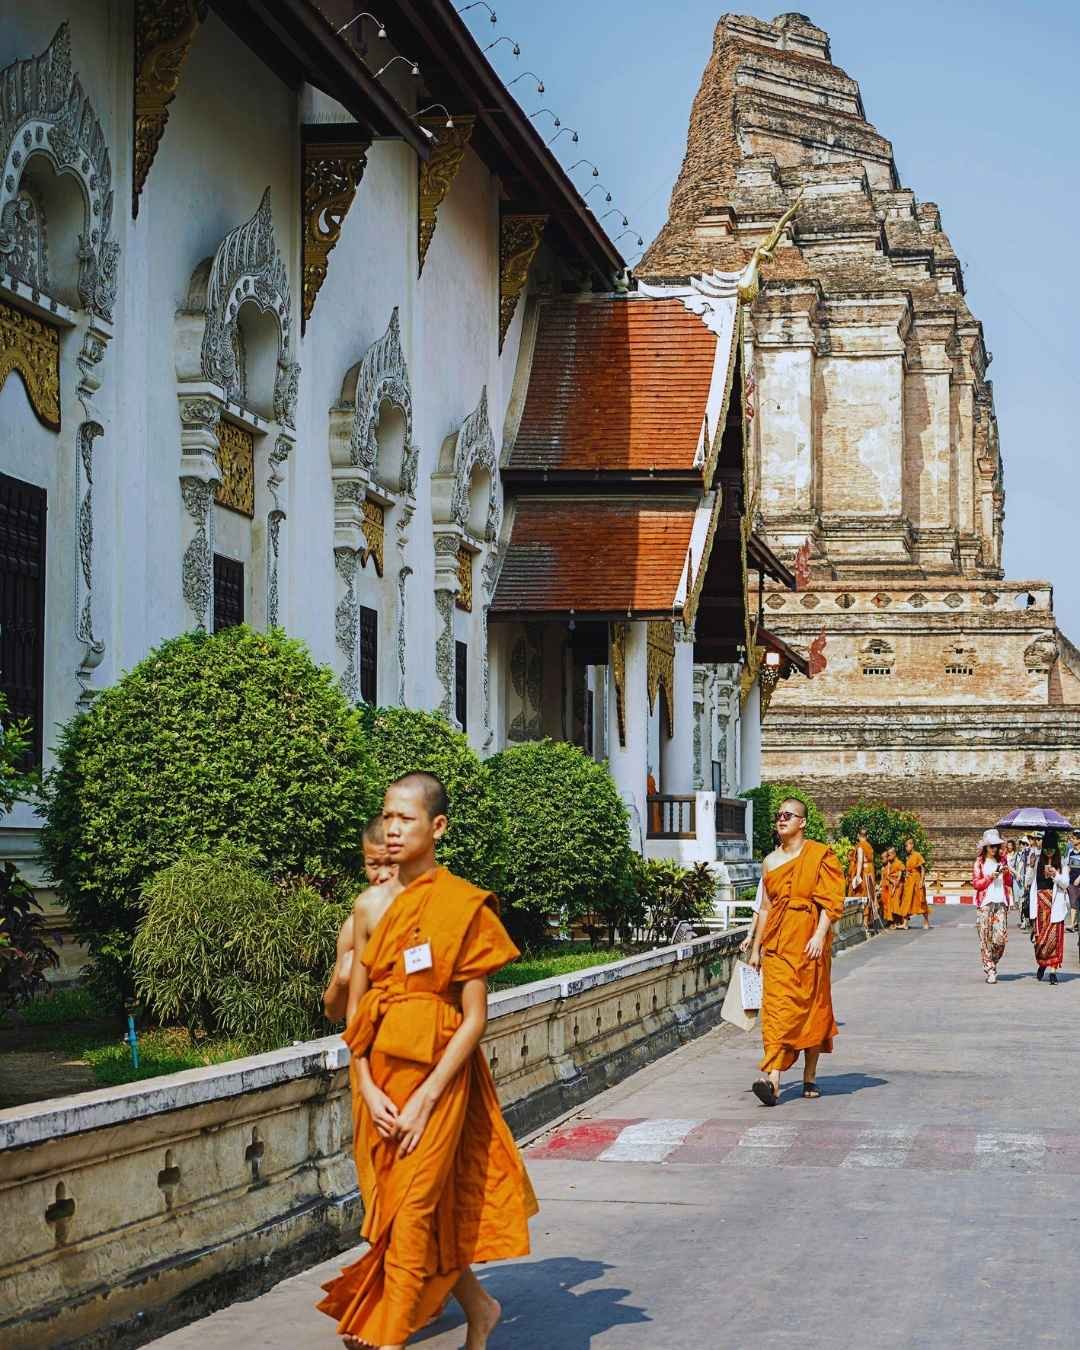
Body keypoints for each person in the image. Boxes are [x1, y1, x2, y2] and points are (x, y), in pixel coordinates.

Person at [317, 772, 537, 1349]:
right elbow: (356, 1014)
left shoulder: (462, 907)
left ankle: (391, 1335)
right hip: (378, 1079)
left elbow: (474, 1018)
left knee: (414, 1211)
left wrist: (426, 1098)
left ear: (437, 828)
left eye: (405, 819)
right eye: (386, 816)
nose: (392, 829)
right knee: (395, 1212)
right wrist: (364, 1085)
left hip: (437, 1079)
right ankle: (480, 1308)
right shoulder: (368, 908)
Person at [748, 797, 845, 1105]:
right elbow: (765, 908)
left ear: (802, 822)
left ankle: (809, 1076)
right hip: (778, 945)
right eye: (778, 815)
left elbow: (831, 901)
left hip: (809, 943)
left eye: (788, 815)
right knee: (776, 1010)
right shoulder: (770, 861)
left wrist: (819, 935)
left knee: (812, 1007)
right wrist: (755, 947)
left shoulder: (819, 855)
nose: (781, 819)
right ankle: (774, 1080)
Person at [324, 816, 401, 1023]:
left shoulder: (432, 914)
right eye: (373, 865)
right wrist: (342, 981)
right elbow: (333, 1014)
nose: (383, 875)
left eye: (392, 864)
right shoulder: (355, 926)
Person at [971, 828, 1013, 983]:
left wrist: (1006, 872)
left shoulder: (1002, 861)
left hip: (1000, 902)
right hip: (985, 904)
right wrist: (990, 877)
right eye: (991, 846)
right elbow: (976, 884)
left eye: (996, 845)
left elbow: (1008, 883)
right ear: (985, 847)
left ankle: (992, 963)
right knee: (985, 939)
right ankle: (989, 968)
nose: (994, 849)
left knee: (1000, 939)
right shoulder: (979, 863)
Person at [1029, 829, 1070, 985]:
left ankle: (1053, 971)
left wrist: (1055, 875)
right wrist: (1031, 866)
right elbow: (1031, 885)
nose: (1049, 853)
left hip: (1055, 907)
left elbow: (1065, 883)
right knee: (1040, 941)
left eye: (1052, 850)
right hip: (1040, 907)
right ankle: (1042, 964)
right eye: (1046, 850)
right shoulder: (1039, 863)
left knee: (1054, 941)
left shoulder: (1062, 864)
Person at [847, 827, 879, 934]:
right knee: (870, 895)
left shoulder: (860, 846)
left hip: (864, 872)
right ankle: (867, 921)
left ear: (858, 836)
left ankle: (864, 923)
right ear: (867, 836)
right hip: (871, 872)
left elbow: (860, 860)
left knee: (862, 894)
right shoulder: (869, 846)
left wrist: (857, 876)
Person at [899, 837, 930, 931]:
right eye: (905, 846)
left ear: (912, 845)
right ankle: (905, 923)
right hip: (909, 881)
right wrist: (906, 874)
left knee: (921, 900)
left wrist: (922, 880)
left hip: (917, 880)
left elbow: (923, 868)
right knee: (906, 900)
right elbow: (907, 869)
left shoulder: (917, 855)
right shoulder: (907, 857)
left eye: (907, 845)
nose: (906, 848)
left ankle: (926, 921)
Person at [1065, 830, 1080, 932]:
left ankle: (1076, 923)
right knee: (1073, 903)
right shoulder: (1070, 852)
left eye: (1074, 839)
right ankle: (1072, 924)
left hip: (1078, 880)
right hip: (1072, 881)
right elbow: (1068, 866)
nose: (1072, 840)